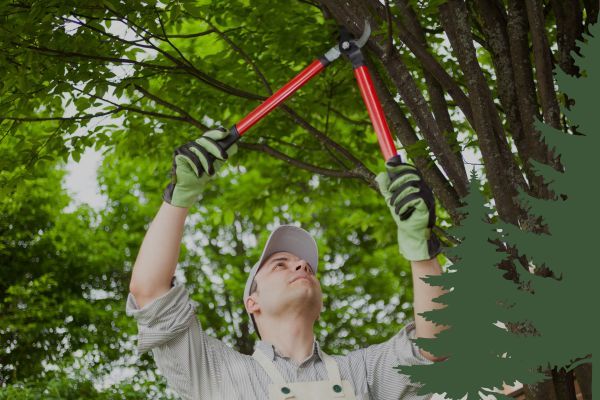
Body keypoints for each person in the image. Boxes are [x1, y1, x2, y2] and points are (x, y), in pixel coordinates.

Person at [126, 129, 448, 400]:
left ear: (319, 307)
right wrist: (179, 195)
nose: (302, 267)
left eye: (307, 267)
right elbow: (150, 292)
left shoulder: (362, 372)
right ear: (252, 302)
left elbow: (435, 346)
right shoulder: (218, 374)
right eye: (281, 264)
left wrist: (421, 247)